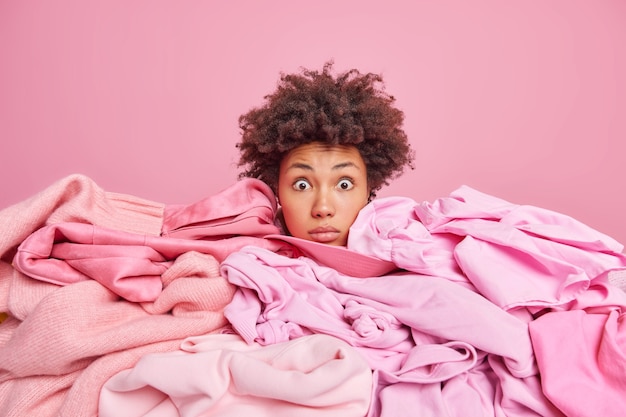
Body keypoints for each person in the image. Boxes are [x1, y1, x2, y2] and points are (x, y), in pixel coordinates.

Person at [236, 62, 415, 246]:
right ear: (277, 189)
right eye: (302, 185)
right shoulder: (245, 259)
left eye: (344, 185)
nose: (323, 209)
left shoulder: (411, 248)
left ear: (367, 190)